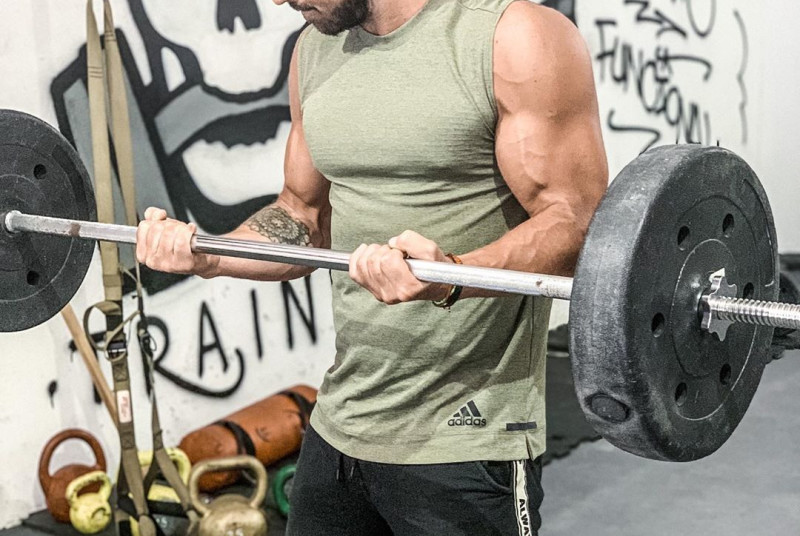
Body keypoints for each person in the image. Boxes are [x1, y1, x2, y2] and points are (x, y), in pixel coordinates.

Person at [136, 0, 608, 533]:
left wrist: (451, 275)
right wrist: (210, 254)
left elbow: (577, 221)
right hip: (341, 423)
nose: (278, 1)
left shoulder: (512, 36)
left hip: (465, 437)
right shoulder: (314, 50)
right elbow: (301, 215)